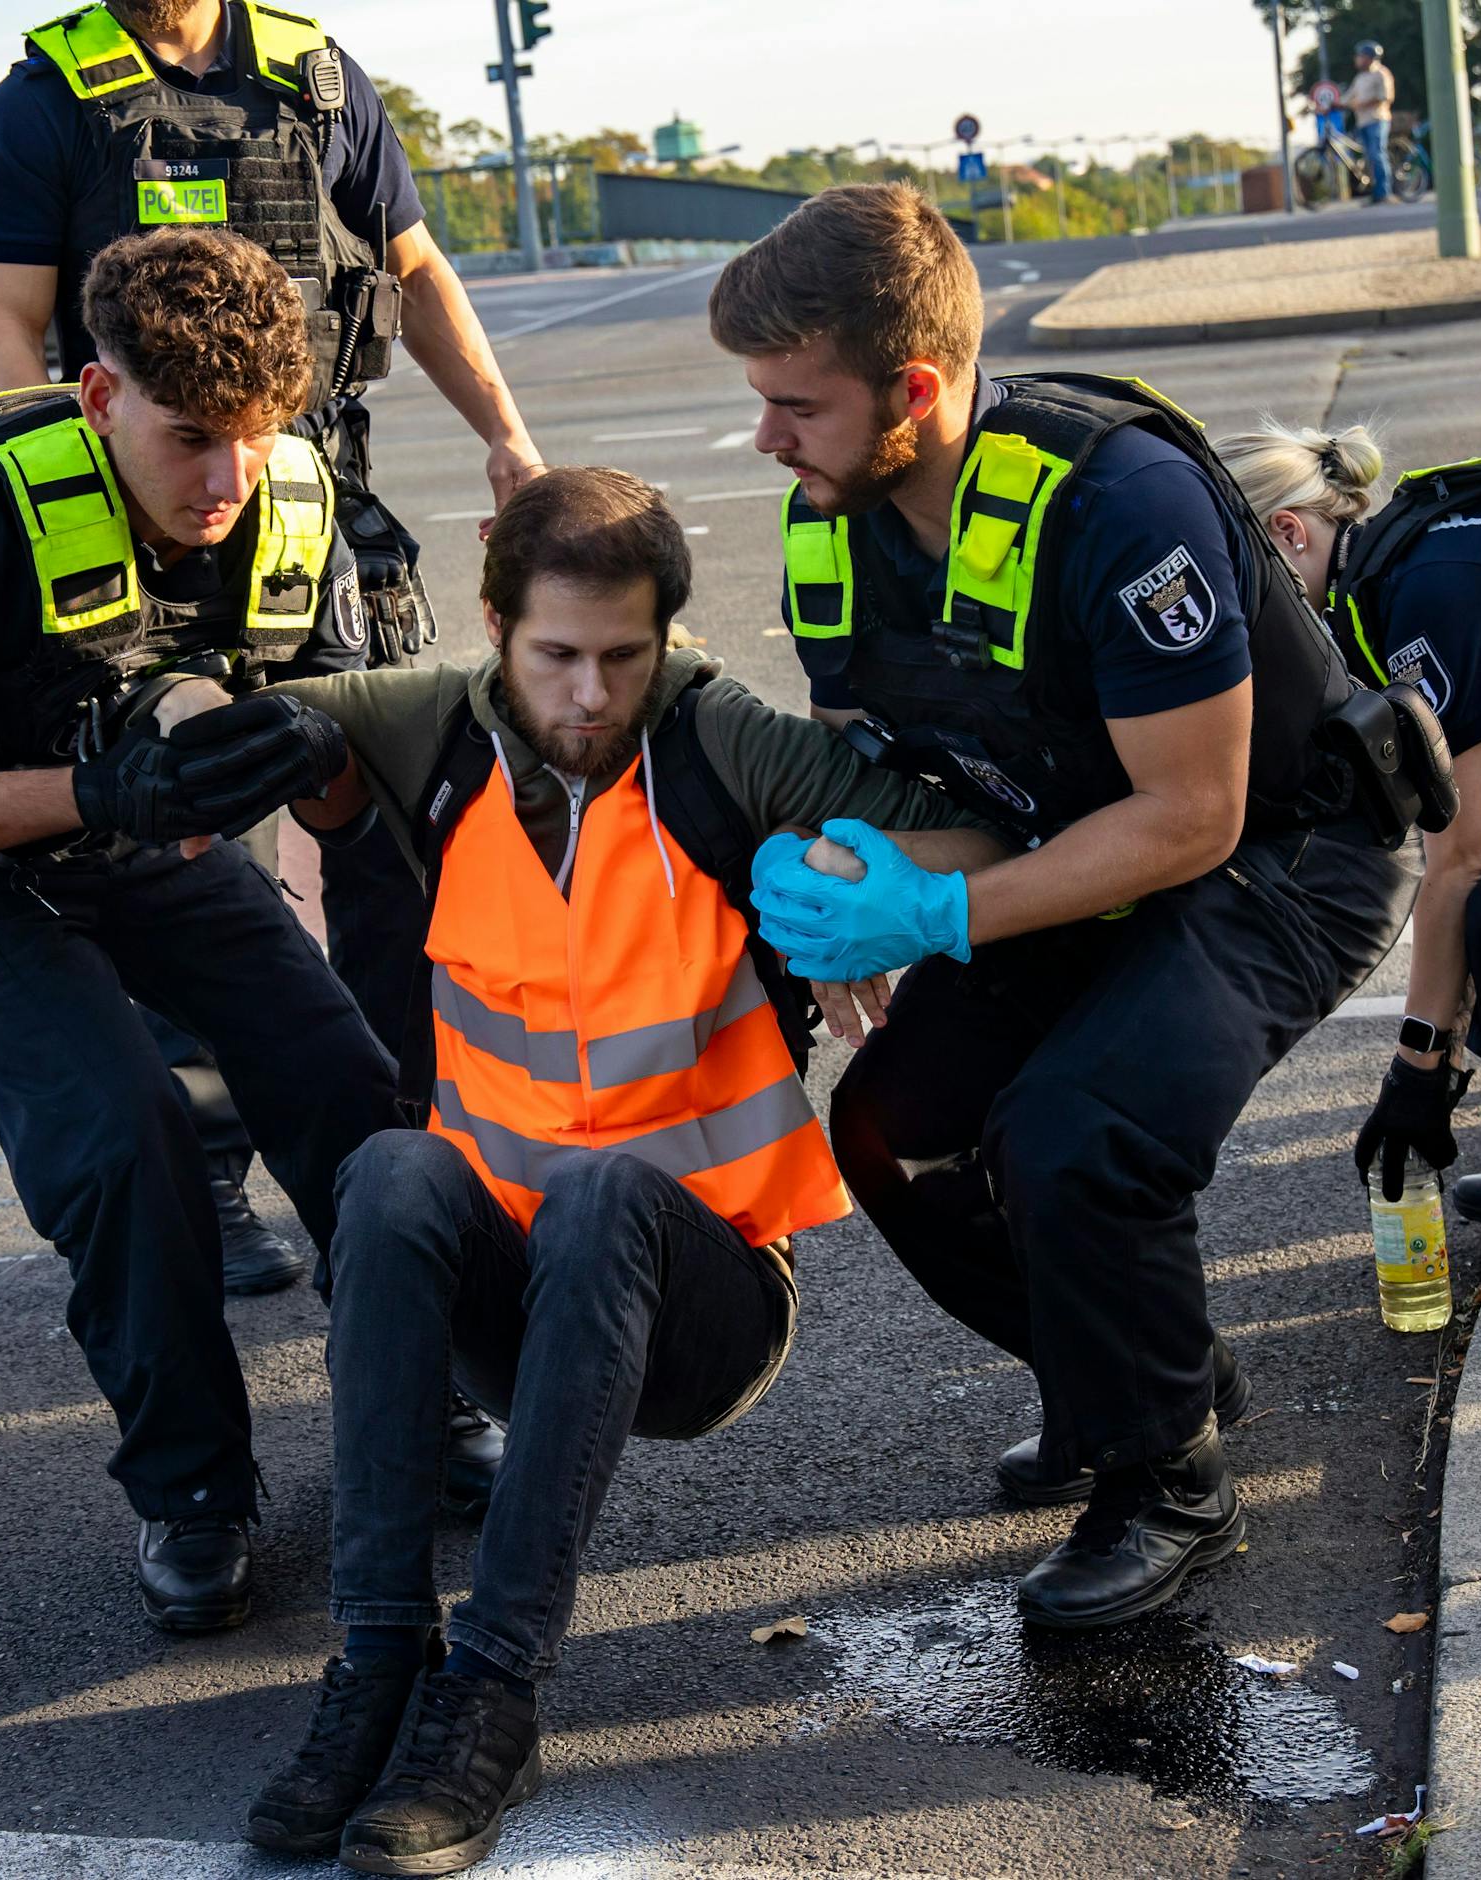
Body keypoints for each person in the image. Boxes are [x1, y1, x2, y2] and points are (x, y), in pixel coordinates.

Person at [223, 468, 1006, 1873]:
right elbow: (244, 718)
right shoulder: (432, 730)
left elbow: (979, 836)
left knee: (601, 1193)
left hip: (702, 1303)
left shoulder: (720, 744)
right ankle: (377, 1664)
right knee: (393, 1173)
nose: (590, 696)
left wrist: (868, 884)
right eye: (557, 657)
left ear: (667, 643)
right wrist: (186, 742)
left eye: (625, 658)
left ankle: (493, 1699)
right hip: (513, 1303)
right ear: (494, 631)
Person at [708, 183, 1421, 1630]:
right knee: (890, 1128)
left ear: (913, 390)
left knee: (1075, 1133)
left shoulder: (1118, 502)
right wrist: (861, 875)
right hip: (1070, 841)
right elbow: (903, 769)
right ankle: (1135, 1376)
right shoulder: (831, 525)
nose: (768, 438)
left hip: (1284, 855)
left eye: (797, 405)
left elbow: (1194, 817)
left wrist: (938, 921)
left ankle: (1170, 1485)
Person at [0, 227, 404, 1636]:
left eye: (256, 439)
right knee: (123, 1134)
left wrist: (300, 754)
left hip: (155, 840)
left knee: (349, 1088)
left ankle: (423, 1395)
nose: (226, 482)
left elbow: (351, 816)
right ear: (97, 398)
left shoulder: (298, 499)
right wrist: (97, 785)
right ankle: (193, 1491)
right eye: (191, 436)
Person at [0, 0, 546, 1297]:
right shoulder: (44, 101)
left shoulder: (320, 83)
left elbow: (419, 270)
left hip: (316, 504)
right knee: (188, 836)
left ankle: (394, 1149)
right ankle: (215, 1171)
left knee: (387, 815)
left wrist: (506, 437)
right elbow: (7, 324)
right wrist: (42, 511)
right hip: (145, 524)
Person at [1217, 419, 1481, 1228]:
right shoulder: (1405, 556)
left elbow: (1460, 858)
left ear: (1290, 534)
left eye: (1243, 591)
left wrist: (1418, 1071)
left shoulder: (1432, 586)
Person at [1343, 39, 1396, 204]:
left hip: (1377, 119)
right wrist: (1330, 105)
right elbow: (1348, 98)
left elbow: (1385, 97)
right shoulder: (1360, 78)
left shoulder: (1381, 73)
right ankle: (1376, 193)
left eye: (1360, 56)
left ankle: (1385, 193)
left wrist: (1361, 104)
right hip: (1362, 122)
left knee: (1377, 154)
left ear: (1368, 57)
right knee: (1369, 159)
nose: (1357, 59)